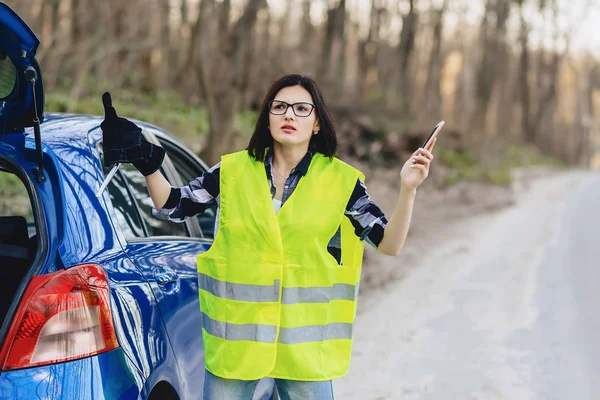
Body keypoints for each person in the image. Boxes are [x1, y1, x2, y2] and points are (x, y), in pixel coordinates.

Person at [100, 74, 435, 400]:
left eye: (302, 108)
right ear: (268, 117)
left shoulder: (342, 182)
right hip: (238, 342)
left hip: (303, 346)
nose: (289, 114)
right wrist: (146, 161)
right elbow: (174, 205)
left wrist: (408, 189)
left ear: (317, 123)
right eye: (279, 107)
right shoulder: (232, 171)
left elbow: (389, 244)